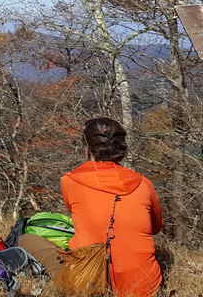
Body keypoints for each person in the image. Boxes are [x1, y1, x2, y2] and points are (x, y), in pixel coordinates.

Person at [62, 118, 163, 297]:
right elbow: (155, 227)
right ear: (121, 149)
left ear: (87, 147)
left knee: (32, 240)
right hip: (144, 286)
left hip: (88, 281)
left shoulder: (69, 181)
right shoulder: (144, 184)